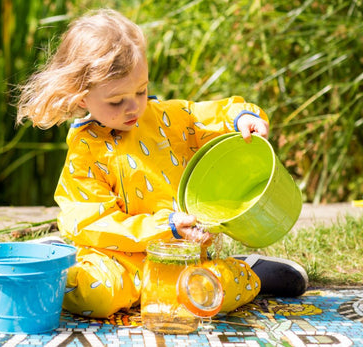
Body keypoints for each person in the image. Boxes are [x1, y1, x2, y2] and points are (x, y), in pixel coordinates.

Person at [16, 9, 308, 318]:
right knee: (98, 296)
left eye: (141, 90)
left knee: (208, 293)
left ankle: (252, 273)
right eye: (116, 101)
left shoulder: (165, 117)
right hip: (119, 261)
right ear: (81, 98)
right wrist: (164, 227)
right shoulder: (85, 152)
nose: (134, 107)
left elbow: (204, 117)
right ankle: (61, 267)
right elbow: (92, 223)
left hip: (183, 257)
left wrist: (242, 116)